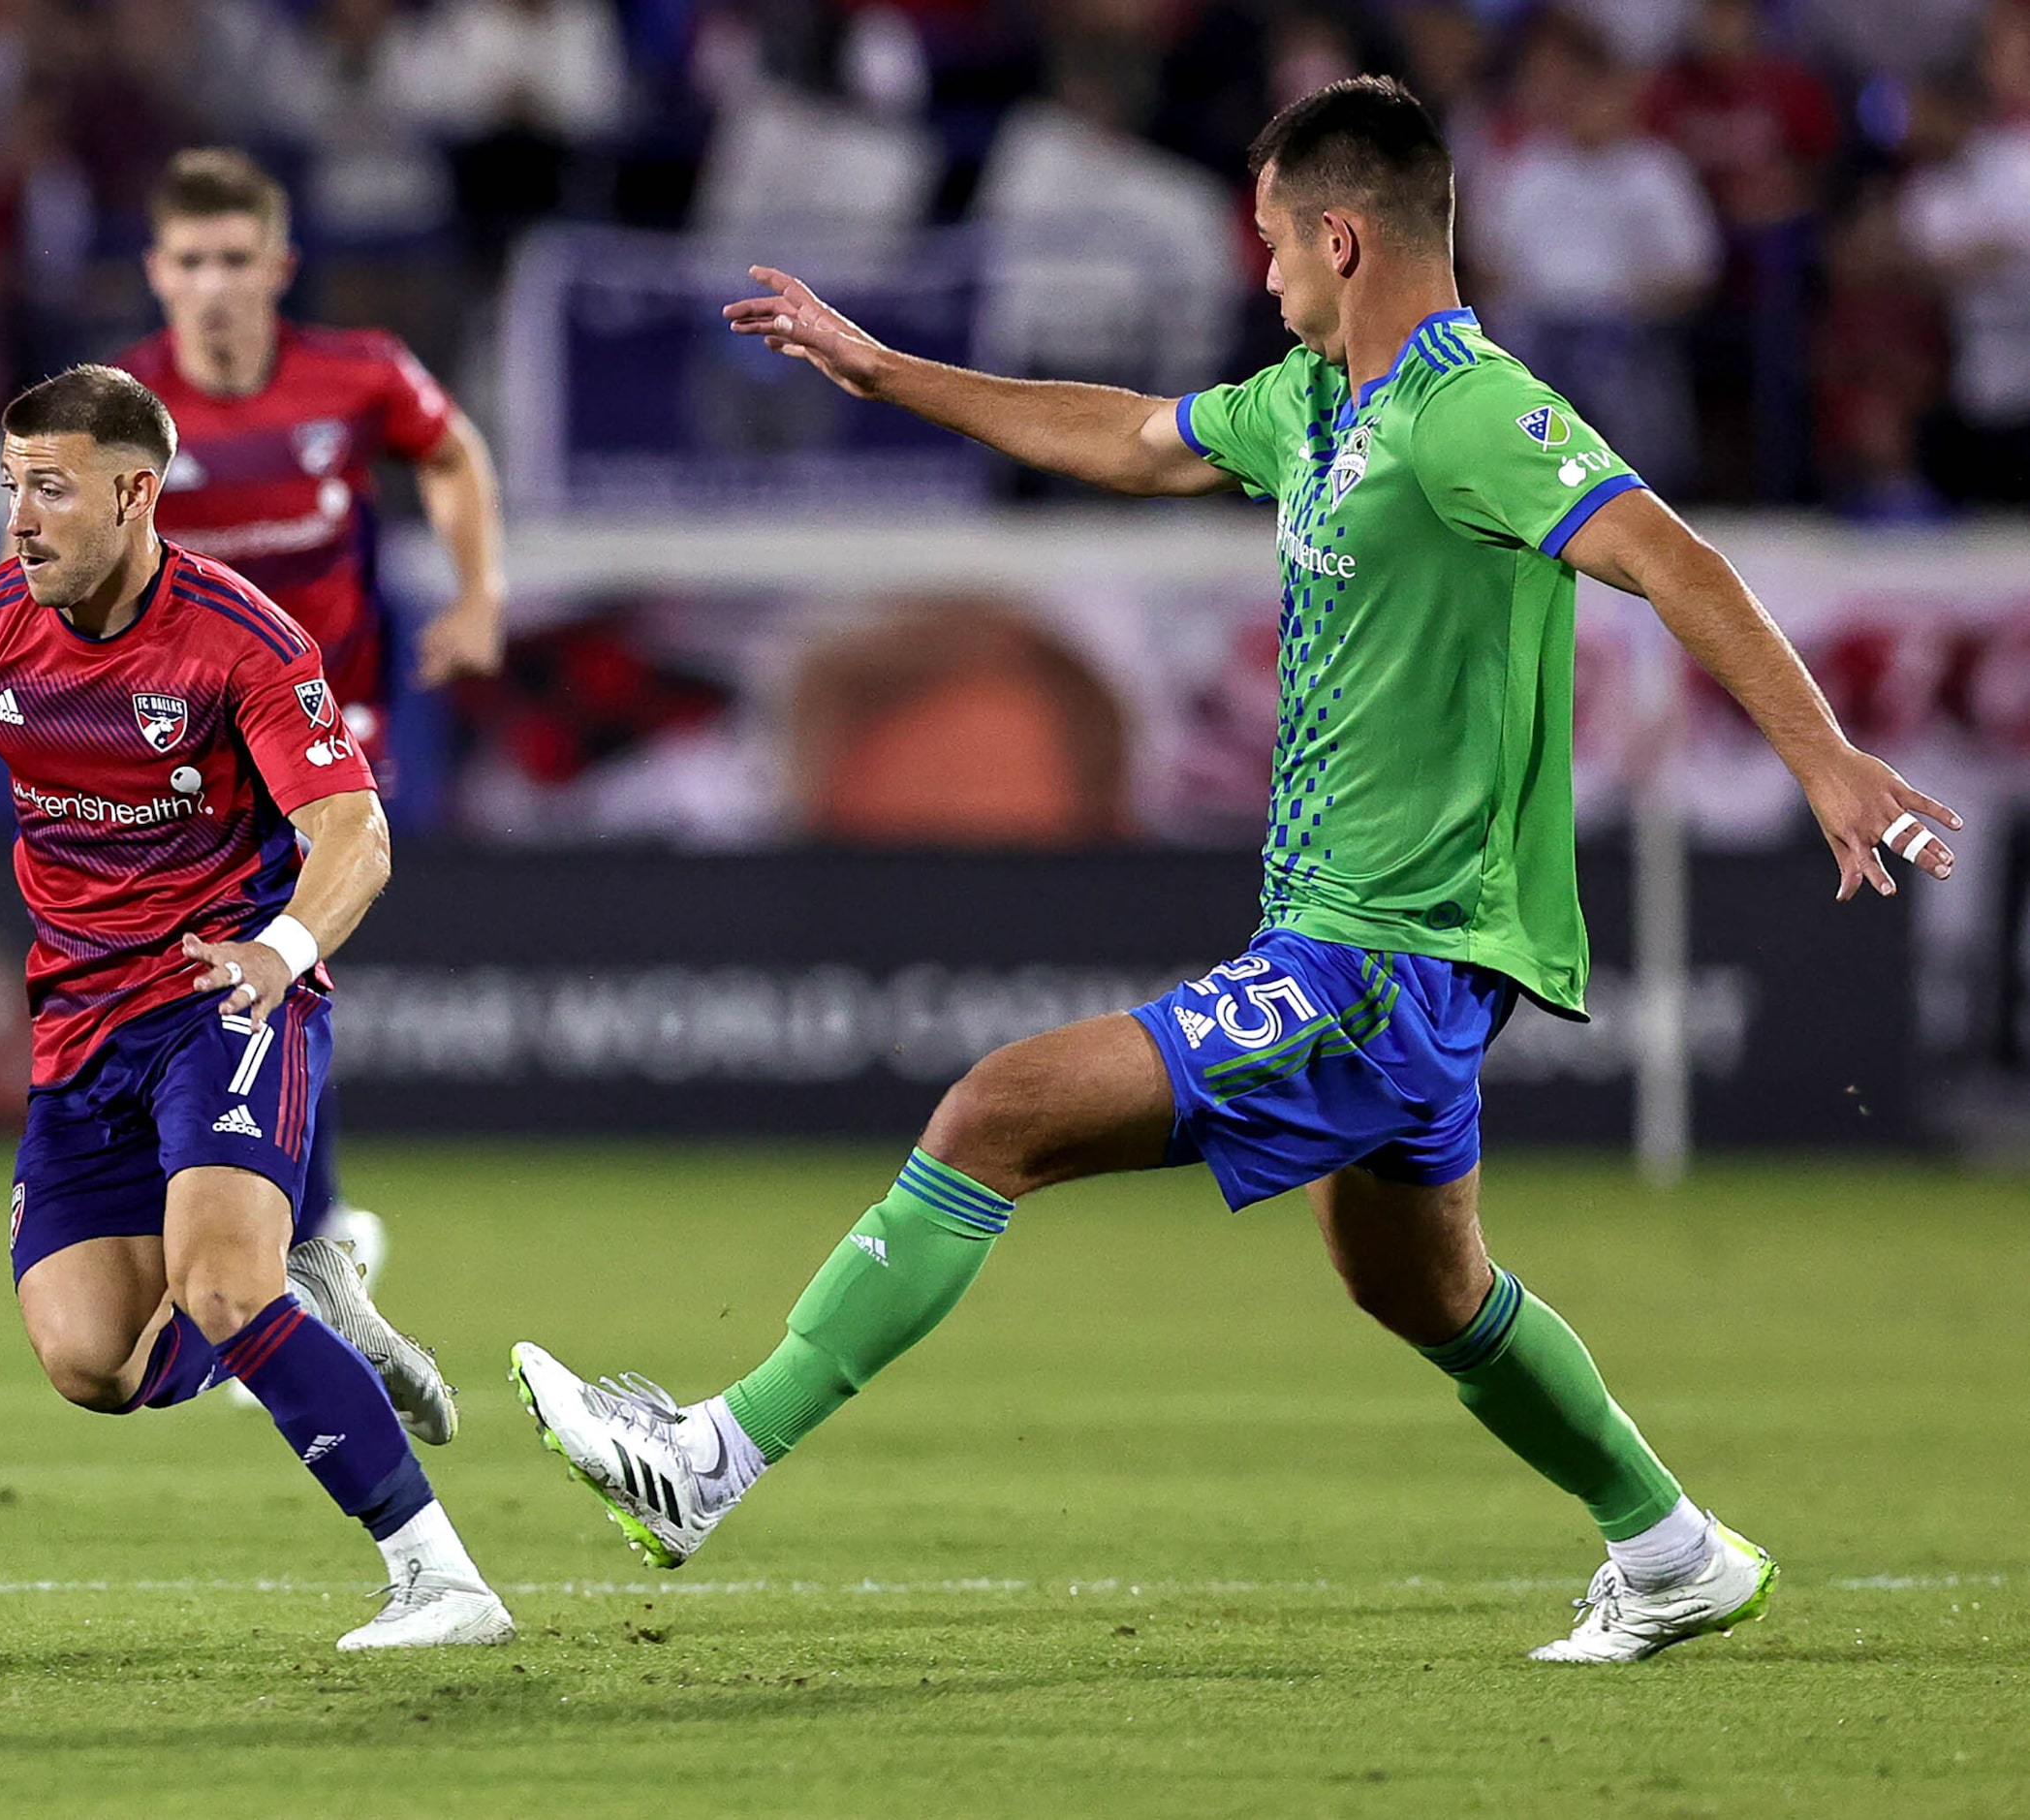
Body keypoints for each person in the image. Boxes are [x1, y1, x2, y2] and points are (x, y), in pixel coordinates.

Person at [512, 77, 1964, 1665]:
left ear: (1340, 236)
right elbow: (1132, 438)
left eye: (1270, 238)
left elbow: (1666, 555)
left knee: (995, 1110)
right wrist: (883, 370)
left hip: (1385, 954)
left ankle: (709, 1458)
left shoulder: (1471, 413)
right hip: (1370, 948)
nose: (1256, 266)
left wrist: (1819, 756)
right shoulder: (1317, 402)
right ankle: (1673, 1548)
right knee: (1420, 1287)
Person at [0, 364, 514, 1651]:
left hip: (222, 999)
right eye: (10, 487)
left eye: (50, 490)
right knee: (93, 1363)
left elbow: (355, 831)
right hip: (78, 1033)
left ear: (137, 493)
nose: (20, 520)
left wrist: (283, 951)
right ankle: (313, 1303)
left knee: (222, 1284)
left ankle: (439, 1575)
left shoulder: (240, 638)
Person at [118, 147, 508, 1311]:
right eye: (192, 261)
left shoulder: (355, 376)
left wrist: (479, 592)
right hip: (178, 739)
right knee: (238, 973)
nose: (216, 283)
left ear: (279, 266)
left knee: (268, 951)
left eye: (236, 259)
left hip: (327, 726)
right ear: (156, 272)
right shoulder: (125, 410)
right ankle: (313, 1237)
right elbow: (44, 543)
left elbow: (449, 451)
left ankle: (292, 1252)